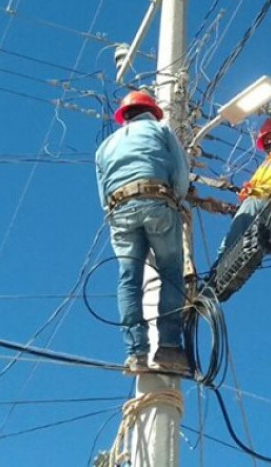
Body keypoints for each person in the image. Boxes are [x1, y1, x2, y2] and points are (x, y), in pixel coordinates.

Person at [95, 90, 191, 375]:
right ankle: (169, 348)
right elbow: (180, 172)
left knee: (129, 280)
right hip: (157, 201)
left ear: (124, 116)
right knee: (171, 271)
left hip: (119, 209)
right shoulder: (160, 130)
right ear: (151, 111)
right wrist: (178, 200)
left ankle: (136, 353)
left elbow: (102, 193)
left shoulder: (105, 146)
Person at [218, 101, 271, 258]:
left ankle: (215, 276)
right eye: (265, 140)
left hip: (268, 208)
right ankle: (229, 271)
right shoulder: (266, 166)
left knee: (228, 247)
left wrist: (261, 106)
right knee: (238, 254)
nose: (269, 142)